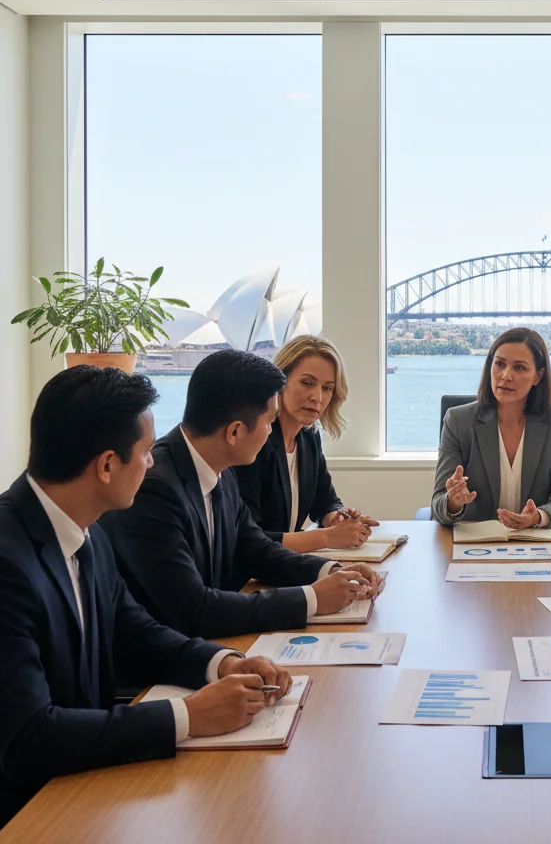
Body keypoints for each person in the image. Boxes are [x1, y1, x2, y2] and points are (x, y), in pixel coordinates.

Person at [0, 366, 293, 826]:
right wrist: (187, 717)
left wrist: (222, 663)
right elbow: (28, 737)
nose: (153, 462)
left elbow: (135, 630)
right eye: (143, 454)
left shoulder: (85, 529)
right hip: (31, 812)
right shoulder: (7, 561)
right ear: (107, 465)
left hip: (90, 786)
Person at [101, 350, 383, 639]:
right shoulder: (155, 488)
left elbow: (255, 549)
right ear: (234, 432)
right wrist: (310, 599)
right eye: (268, 422)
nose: (270, 431)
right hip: (162, 665)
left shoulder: (219, 469)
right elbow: (194, 609)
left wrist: (330, 570)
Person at [235, 335, 379, 553]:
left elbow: (325, 500)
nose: (317, 397)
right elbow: (249, 538)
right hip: (249, 575)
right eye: (307, 383)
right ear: (280, 382)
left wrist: (337, 518)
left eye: (327, 388)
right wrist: (327, 537)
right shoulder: (254, 441)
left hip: (283, 565)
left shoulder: (309, 437)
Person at [431, 327, 551, 528]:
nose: (506, 375)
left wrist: (538, 517)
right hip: (475, 546)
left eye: (519, 368)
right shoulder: (458, 420)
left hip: (535, 543)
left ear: (538, 376)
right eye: (499, 364)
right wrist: (453, 501)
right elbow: (438, 504)